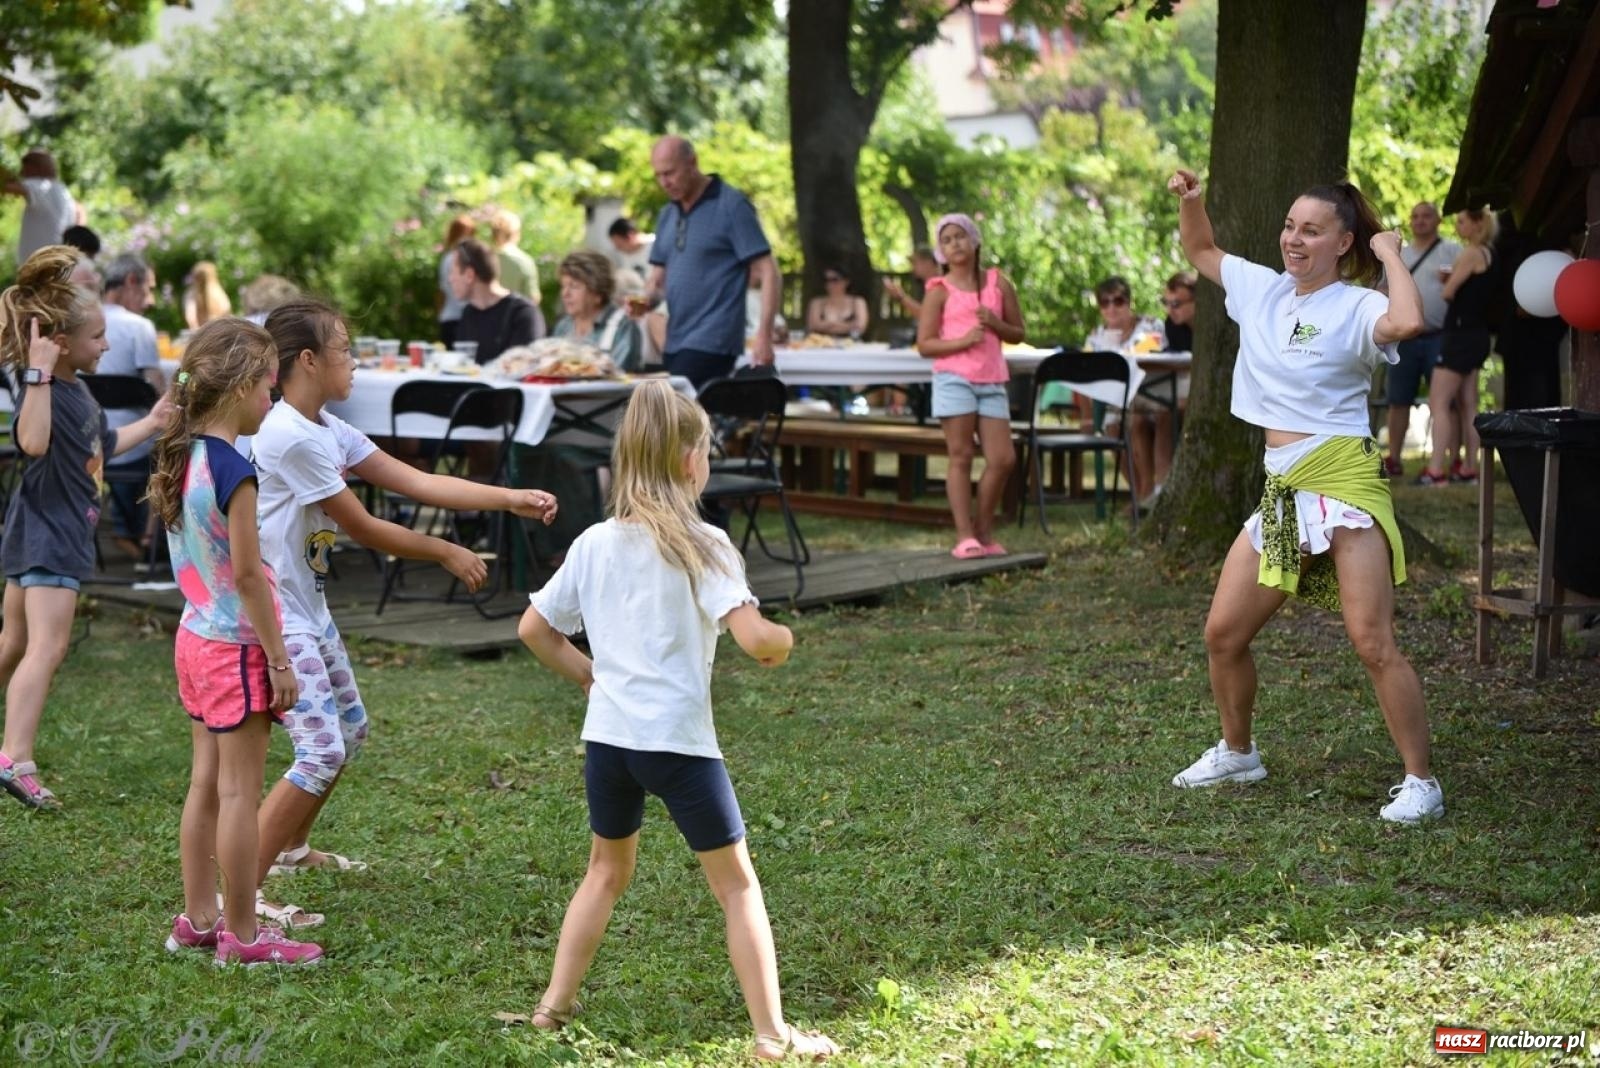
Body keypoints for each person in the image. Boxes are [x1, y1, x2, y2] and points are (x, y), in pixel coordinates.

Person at [516, 381, 838, 1062]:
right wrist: (783, 639)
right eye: (709, 450)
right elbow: (756, 640)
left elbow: (534, 629)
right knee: (736, 886)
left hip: (609, 743)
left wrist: (587, 674)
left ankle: (552, 1009)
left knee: (604, 871)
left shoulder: (595, 543)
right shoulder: (706, 544)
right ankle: (773, 1036)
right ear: (691, 460)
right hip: (679, 746)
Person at [249, 299, 558, 926]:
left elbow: (414, 481)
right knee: (319, 751)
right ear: (307, 361)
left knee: (349, 730)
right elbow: (363, 525)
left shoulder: (326, 428)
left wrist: (511, 498)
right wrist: (445, 548)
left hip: (310, 609)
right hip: (280, 616)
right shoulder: (288, 434)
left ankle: (291, 848)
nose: (354, 362)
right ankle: (242, 894)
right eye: (344, 350)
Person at [1164, 168, 1444, 824]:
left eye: (1312, 230)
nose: (1294, 239)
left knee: (1372, 639)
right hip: (1285, 488)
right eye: (1290, 226)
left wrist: (1389, 257)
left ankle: (1421, 782)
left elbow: (1408, 320)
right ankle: (1239, 753)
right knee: (1223, 634)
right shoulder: (1262, 289)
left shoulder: (1357, 305)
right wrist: (1193, 201)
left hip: (1341, 481)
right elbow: (1201, 251)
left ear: (1343, 242)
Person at [146, 316, 323, 966]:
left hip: (194, 639)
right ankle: (244, 937)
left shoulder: (182, 454)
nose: (271, 401)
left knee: (205, 786)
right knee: (240, 795)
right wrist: (279, 658)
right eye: (268, 388)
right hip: (236, 648)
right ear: (243, 385)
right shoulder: (234, 470)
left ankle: (198, 918)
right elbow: (249, 575)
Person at [0, 246, 173, 809]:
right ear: (63, 341)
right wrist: (38, 371)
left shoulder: (75, 390)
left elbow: (96, 451)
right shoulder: (45, 385)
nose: (105, 345)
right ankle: (15, 758)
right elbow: (31, 444)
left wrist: (152, 422)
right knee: (46, 648)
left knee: (17, 642)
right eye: (97, 337)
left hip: (46, 524)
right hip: (51, 527)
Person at [915, 213, 1024, 560]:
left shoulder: (998, 283)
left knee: (1003, 459)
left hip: (992, 378)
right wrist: (963, 341)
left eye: (959, 236)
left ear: (974, 240)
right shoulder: (938, 291)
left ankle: (983, 529)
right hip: (954, 379)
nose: (954, 244)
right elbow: (926, 345)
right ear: (941, 252)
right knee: (960, 455)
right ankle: (965, 536)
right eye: (946, 240)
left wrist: (995, 323)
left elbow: (1018, 333)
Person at [639, 136, 781, 387]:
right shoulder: (667, 214)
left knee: (670, 415)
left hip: (714, 340)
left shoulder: (731, 205)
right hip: (674, 339)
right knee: (680, 421)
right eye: (658, 175)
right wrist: (644, 301)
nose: (664, 182)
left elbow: (769, 271)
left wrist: (764, 336)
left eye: (670, 173)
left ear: (692, 162)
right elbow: (657, 278)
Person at [1418, 207, 1499, 487]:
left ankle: (1436, 469)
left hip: (1459, 335)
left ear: (1478, 224)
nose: (1458, 227)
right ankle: (1469, 468)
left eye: (1462, 222)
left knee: (1438, 402)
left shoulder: (1472, 252)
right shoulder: (1489, 253)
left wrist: (1449, 280)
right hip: (1477, 335)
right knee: (1468, 404)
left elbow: (1448, 291)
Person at [1383, 202, 1460, 477]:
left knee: (1447, 402)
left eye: (1426, 216)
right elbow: (1382, 289)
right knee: (1398, 399)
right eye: (1415, 216)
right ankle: (1393, 459)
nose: (1420, 221)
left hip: (1440, 336)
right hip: (1403, 338)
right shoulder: (1398, 255)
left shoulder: (1453, 250)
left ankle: (1454, 461)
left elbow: (1471, 288)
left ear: (1438, 220)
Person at [98, 252, 165, 560]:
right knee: (174, 441)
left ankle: (132, 529)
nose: (149, 300)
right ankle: (146, 536)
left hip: (87, 442)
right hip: (132, 445)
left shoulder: (79, 321)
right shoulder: (138, 326)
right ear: (131, 281)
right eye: (148, 289)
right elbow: (160, 394)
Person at [1079, 276, 1168, 504]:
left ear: (1129, 302)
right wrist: (1087, 417)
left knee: (1136, 420)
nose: (1111, 307)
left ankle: (1147, 493)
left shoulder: (1150, 326)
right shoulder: (1095, 337)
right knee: (1112, 426)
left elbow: (1145, 357)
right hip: (1115, 404)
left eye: (1118, 301)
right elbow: (1082, 374)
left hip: (1152, 397)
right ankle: (1141, 496)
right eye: (1105, 302)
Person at [451, 238, 545, 365]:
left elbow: (522, 368)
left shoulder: (523, 313)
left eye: (453, 272)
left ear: (469, 275)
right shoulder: (469, 313)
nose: (450, 279)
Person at [552, 249, 642, 371]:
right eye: (563, 286)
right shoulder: (563, 326)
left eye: (574, 286)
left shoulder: (622, 327)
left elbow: (618, 377)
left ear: (598, 293)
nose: (565, 293)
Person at [3, 150, 79, 266]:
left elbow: (9, 187)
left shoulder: (39, 185)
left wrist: (4, 179)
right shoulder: (62, 190)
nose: (21, 172)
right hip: (60, 261)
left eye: (24, 167)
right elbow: (80, 212)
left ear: (34, 167)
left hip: (40, 266)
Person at [437, 214, 476, 347]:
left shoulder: (447, 258)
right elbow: (443, 290)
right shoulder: (453, 259)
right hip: (458, 318)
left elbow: (442, 290)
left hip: (458, 318)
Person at [489, 209, 540, 307]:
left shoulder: (485, 260)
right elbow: (533, 299)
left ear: (494, 234)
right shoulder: (525, 262)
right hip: (517, 318)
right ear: (517, 233)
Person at [805, 267, 870, 338]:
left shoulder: (857, 302)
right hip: (821, 345)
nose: (830, 284)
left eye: (835, 280)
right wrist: (849, 325)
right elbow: (813, 326)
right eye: (827, 280)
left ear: (846, 281)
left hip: (851, 345)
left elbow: (860, 327)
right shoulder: (816, 303)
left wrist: (827, 325)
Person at [882, 246, 941, 320]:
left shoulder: (939, 285)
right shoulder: (928, 285)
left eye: (915, 263)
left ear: (928, 262)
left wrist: (900, 297)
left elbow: (926, 316)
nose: (912, 267)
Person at [183, 261, 233, 330]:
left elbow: (191, 317)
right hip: (219, 330)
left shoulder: (192, 294)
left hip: (202, 333)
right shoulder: (218, 292)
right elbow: (226, 311)